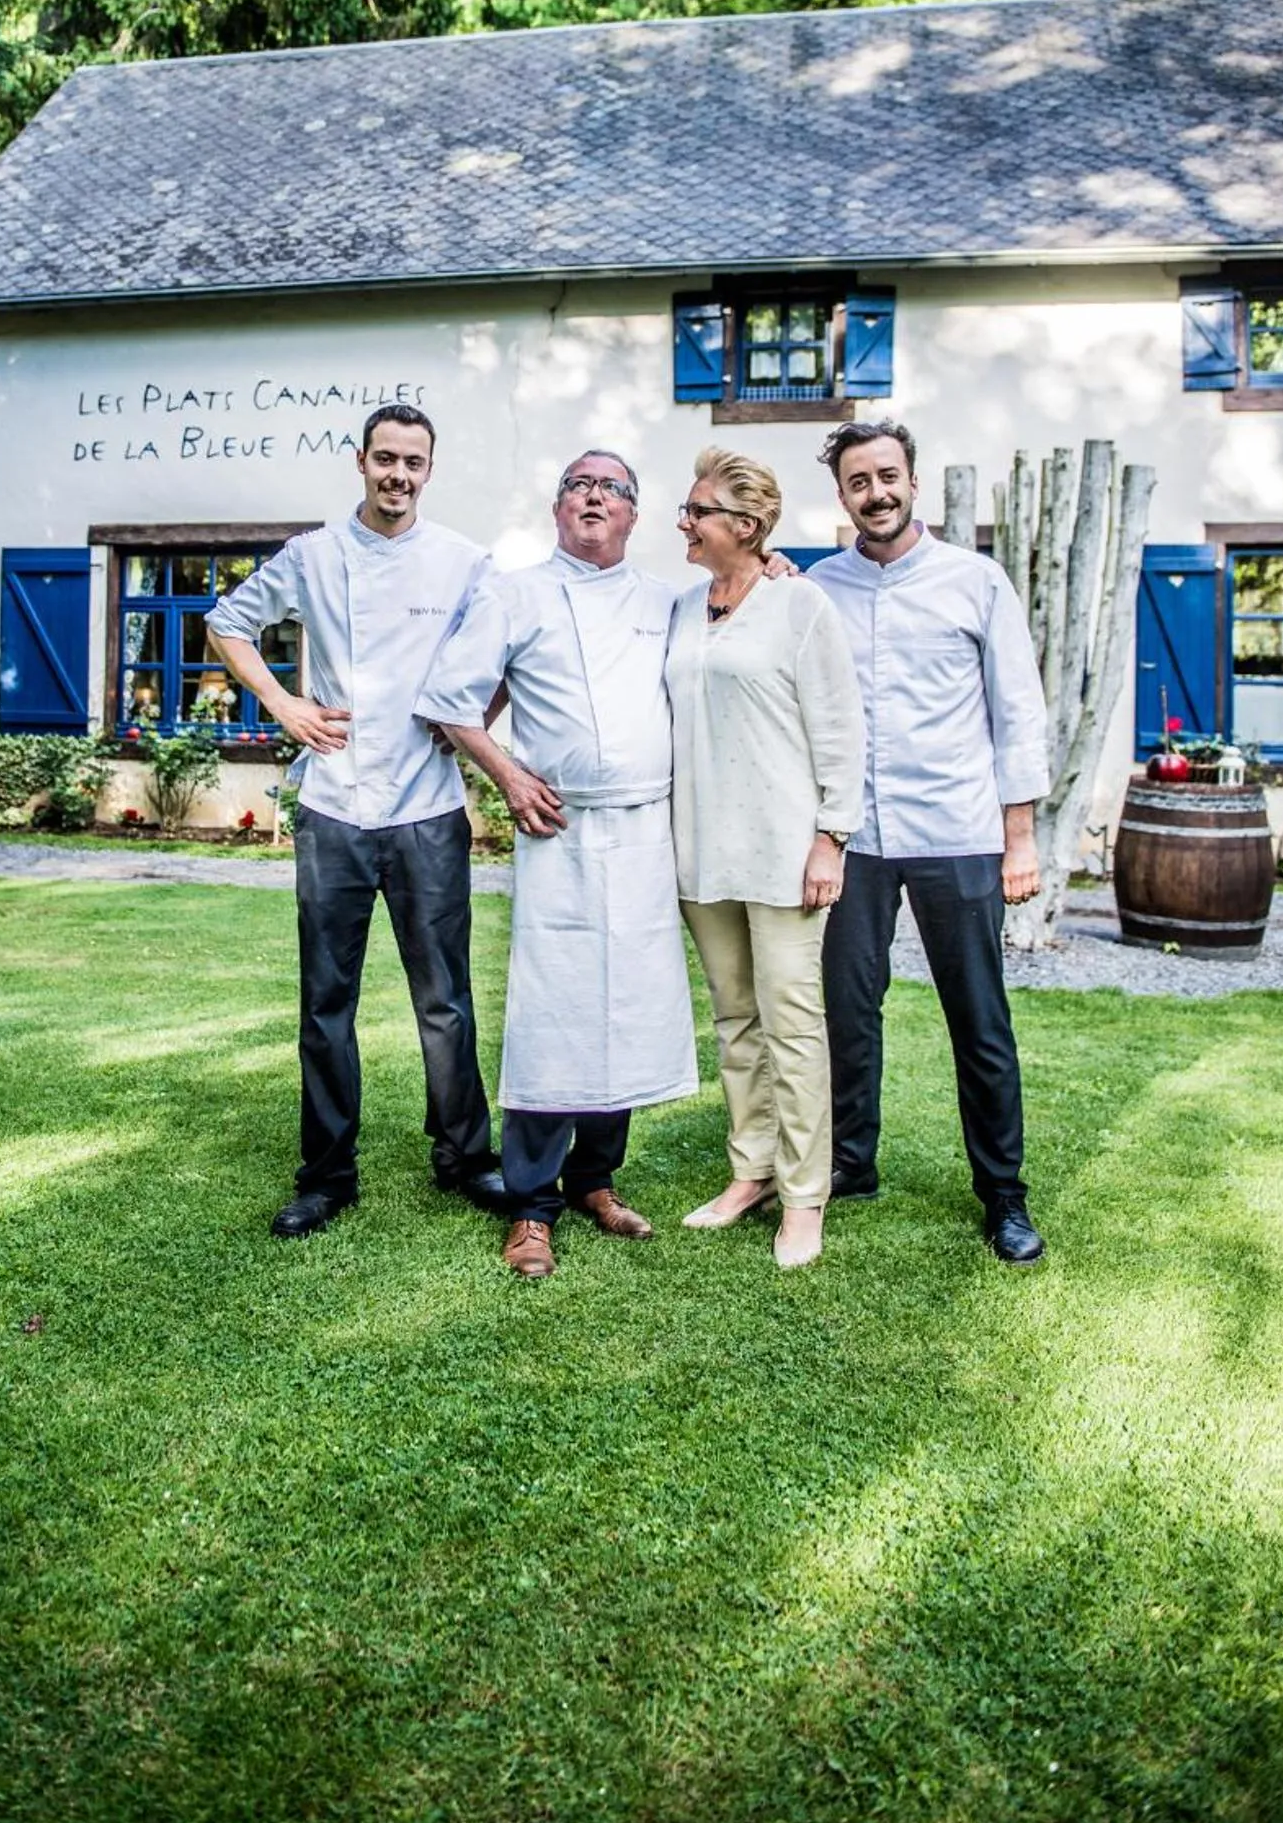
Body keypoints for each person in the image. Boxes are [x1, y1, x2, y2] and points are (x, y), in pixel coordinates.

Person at [210, 404, 506, 1238]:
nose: (398, 475)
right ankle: (327, 1175)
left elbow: (509, 650)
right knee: (325, 1001)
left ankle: (465, 1157)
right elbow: (227, 621)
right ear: (360, 461)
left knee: (444, 998)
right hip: (335, 806)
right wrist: (281, 701)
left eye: (413, 462)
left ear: (429, 470)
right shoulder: (312, 555)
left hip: (428, 809)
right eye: (385, 459)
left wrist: (469, 721)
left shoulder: (462, 561)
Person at [415, 449, 697, 1280]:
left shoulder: (666, 600)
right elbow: (448, 699)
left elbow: (741, 608)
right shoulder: (514, 592)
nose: (593, 497)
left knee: (629, 1008)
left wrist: (773, 562)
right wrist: (507, 776)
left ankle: (595, 1180)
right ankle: (531, 1204)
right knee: (556, 1012)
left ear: (634, 515)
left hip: (645, 827)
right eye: (578, 484)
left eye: (611, 488)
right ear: (556, 507)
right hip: (559, 827)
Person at [809, 419, 1050, 1265]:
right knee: (846, 1011)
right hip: (855, 837)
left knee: (978, 1019)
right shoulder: (816, 588)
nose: (874, 492)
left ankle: (1003, 1194)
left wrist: (1017, 840)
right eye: (856, 481)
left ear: (912, 481)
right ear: (840, 494)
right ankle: (849, 1161)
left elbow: (1016, 709)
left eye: (887, 475)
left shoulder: (974, 581)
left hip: (957, 829)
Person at [668, 448, 865, 1269]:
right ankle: (748, 1170)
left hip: (785, 852)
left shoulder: (799, 605)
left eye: (696, 508)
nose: (682, 519)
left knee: (792, 1024)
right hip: (700, 849)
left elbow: (841, 728)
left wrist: (831, 836)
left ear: (743, 526)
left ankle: (803, 1196)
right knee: (734, 1020)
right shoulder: (679, 607)